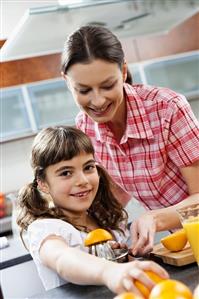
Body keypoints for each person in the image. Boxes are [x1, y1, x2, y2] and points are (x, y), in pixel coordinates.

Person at [61, 25, 199, 256]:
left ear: (123, 72)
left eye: (107, 86)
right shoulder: (85, 128)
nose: (97, 101)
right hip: (186, 242)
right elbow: (115, 195)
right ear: (66, 81)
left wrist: (154, 218)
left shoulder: (167, 109)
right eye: (84, 90)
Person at [16, 126, 168, 295]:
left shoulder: (104, 220)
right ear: (43, 183)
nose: (82, 180)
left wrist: (125, 259)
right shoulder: (46, 229)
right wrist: (108, 271)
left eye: (88, 167)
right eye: (66, 173)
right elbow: (61, 258)